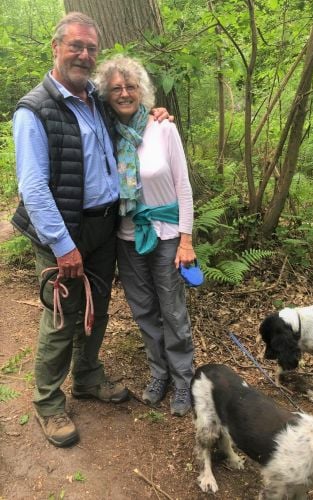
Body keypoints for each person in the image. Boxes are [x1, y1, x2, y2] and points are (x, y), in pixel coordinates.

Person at [11, 12, 170, 448]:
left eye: (90, 48)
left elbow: (130, 119)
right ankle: (47, 402)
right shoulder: (35, 110)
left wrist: (156, 115)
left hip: (105, 225)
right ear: (56, 48)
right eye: (75, 46)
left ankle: (86, 377)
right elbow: (33, 186)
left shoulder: (97, 99)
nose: (83, 54)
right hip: (63, 231)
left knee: (95, 309)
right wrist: (63, 245)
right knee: (62, 318)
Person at [95, 56, 196, 417]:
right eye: (116, 88)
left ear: (142, 90)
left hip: (167, 234)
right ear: (106, 95)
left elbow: (183, 186)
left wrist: (186, 240)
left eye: (131, 86)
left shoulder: (162, 127)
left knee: (172, 309)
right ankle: (160, 374)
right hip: (127, 236)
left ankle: (184, 379)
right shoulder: (105, 132)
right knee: (144, 311)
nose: (124, 93)